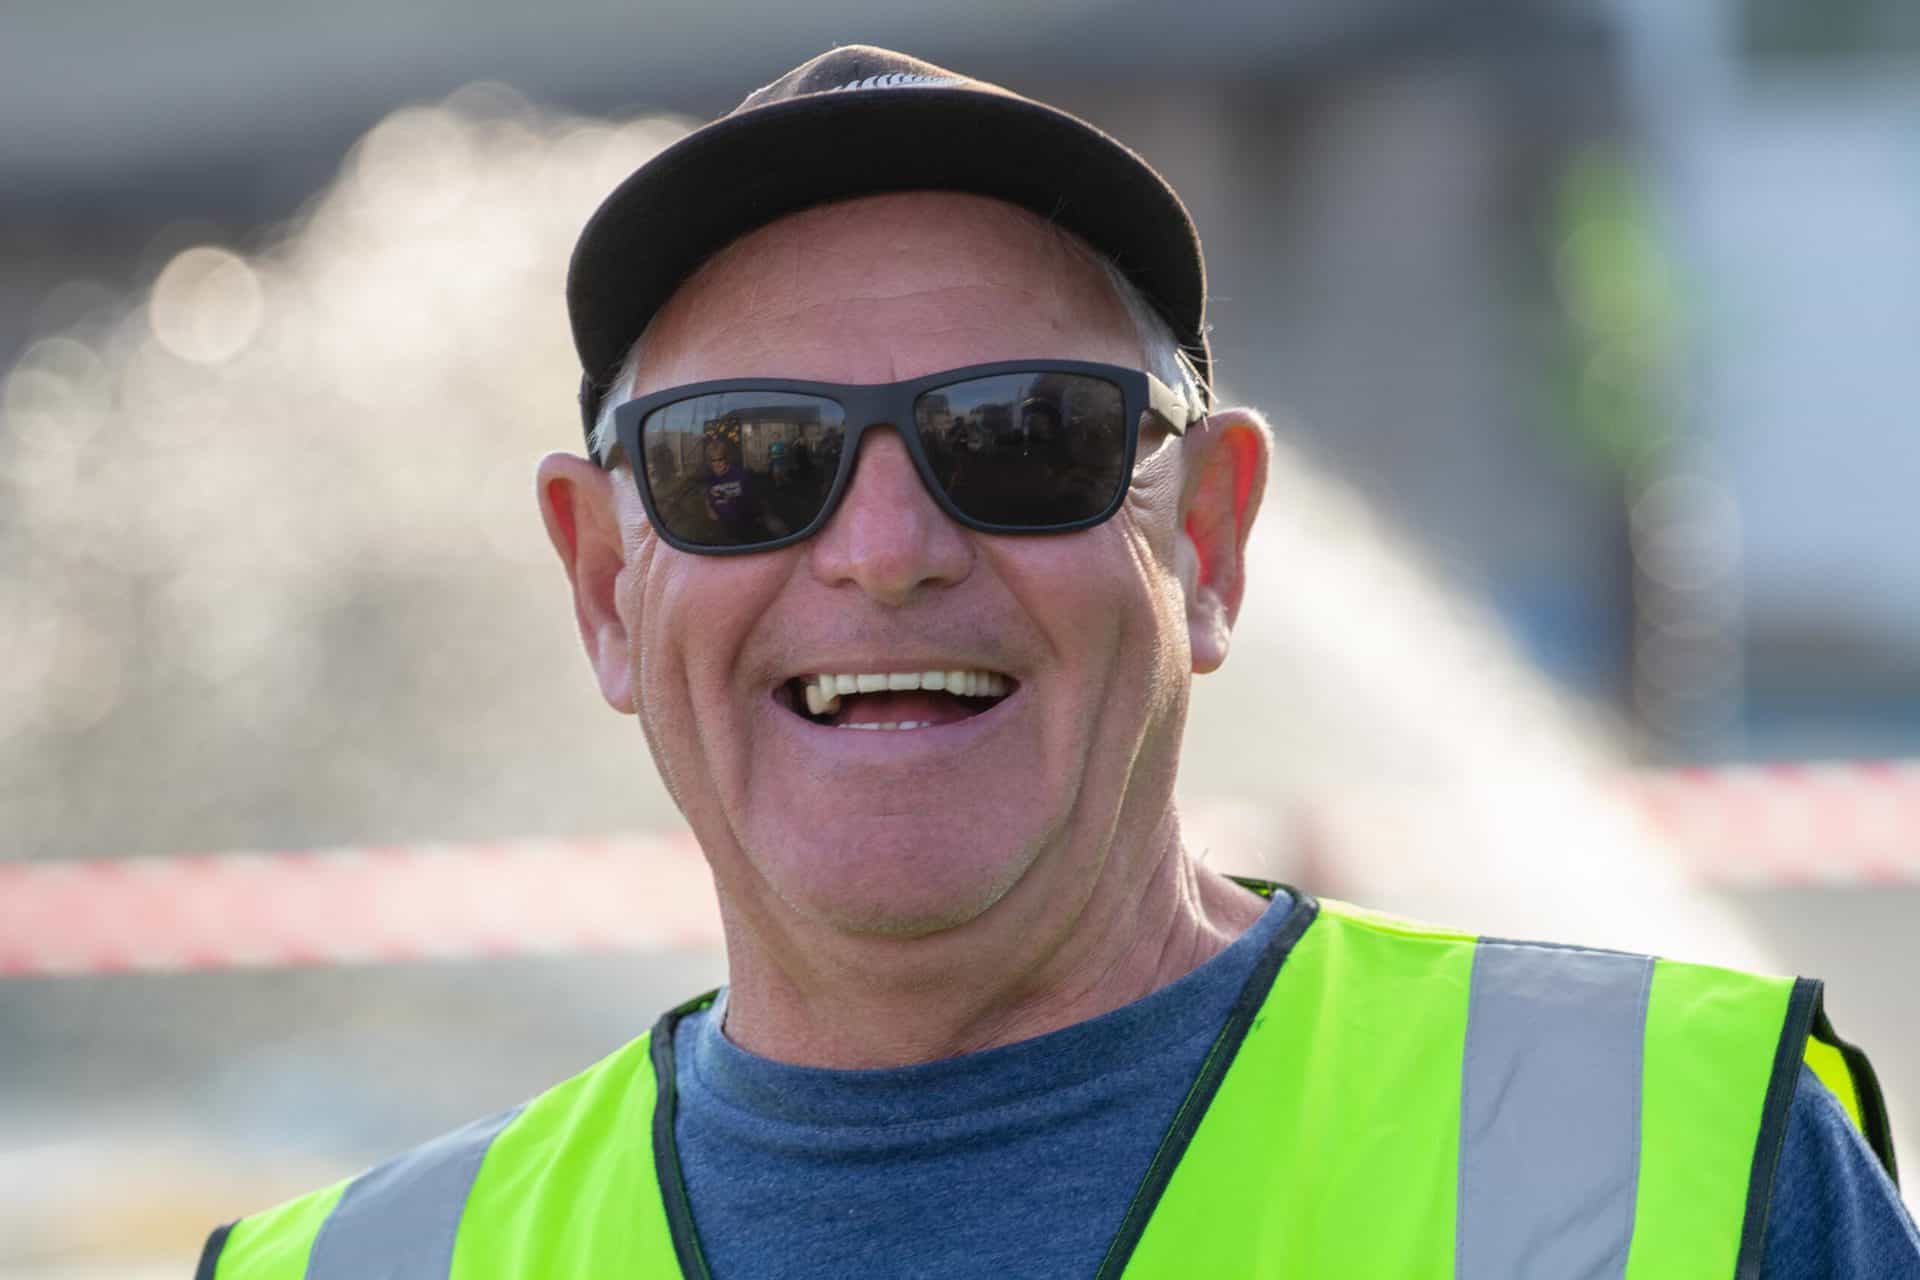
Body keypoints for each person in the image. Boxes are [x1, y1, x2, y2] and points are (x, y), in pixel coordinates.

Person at [198, 45, 1917, 1278]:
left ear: (1210, 542)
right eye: (750, 462)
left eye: (1022, 439)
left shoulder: (1688, 1163)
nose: (883, 552)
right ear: (602, 582)